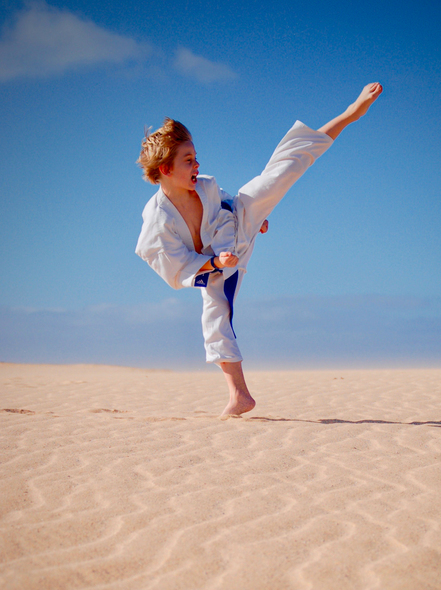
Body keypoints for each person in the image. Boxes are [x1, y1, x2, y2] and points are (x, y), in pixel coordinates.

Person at [136, 82, 383, 416]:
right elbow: (173, 264)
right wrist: (214, 261)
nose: (197, 166)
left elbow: (229, 205)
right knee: (214, 316)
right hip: (215, 263)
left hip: (239, 224)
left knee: (281, 171)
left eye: (196, 158)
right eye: (189, 160)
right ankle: (239, 396)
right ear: (165, 170)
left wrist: (255, 218)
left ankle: (348, 115)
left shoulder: (206, 187)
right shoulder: (157, 220)